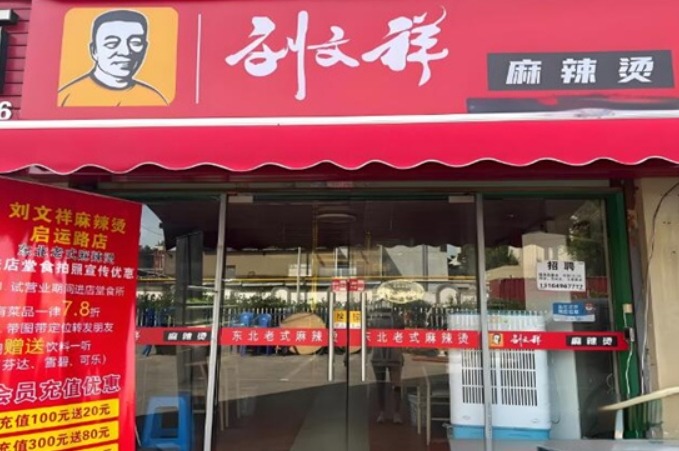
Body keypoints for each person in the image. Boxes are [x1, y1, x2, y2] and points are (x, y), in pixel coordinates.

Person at [58, 9, 168, 107]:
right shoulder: (66, 98)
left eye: (135, 43)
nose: (125, 52)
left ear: (145, 48)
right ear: (94, 50)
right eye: (112, 43)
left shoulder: (155, 100)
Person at [369, 304, 406, 424]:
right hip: (388, 355)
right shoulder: (397, 319)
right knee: (394, 385)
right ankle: (393, 413)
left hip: (385, 355)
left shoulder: (374, 319)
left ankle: (386, 413)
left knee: (385, 385)